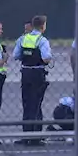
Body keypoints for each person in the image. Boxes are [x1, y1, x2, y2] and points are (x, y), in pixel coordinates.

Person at [15, 15, 53, 145]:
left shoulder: (23, 39)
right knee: (37, 105)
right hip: (37, 73)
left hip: (25, 73)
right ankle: (36, 137)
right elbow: (47, 58)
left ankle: (26, 135)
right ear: (43, 26)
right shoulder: (42, 40)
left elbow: (16, 55)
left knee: (27, 104)